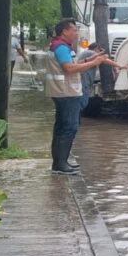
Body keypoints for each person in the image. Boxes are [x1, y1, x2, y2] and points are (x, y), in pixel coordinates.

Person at [45, 19, 106, 175]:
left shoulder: (59, 46)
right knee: (69, 127)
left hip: (61, 91)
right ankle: (61, 164)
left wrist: (90, 59)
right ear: (64, 31)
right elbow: (69, 68)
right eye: (74, 30)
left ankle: (60, 162)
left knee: (61, 126)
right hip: (67, 92)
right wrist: (94, 63)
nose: (76, 33)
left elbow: (72, 63)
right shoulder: (62, 48)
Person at [76, 43, 125, 111]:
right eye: (100, 50)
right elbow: (105, 60)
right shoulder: (91, 53)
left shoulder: (86, 53)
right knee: (83, 102)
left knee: (82, 102)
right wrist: (119, 66)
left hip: (83, 80)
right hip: (84, 81)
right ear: (96, 48)